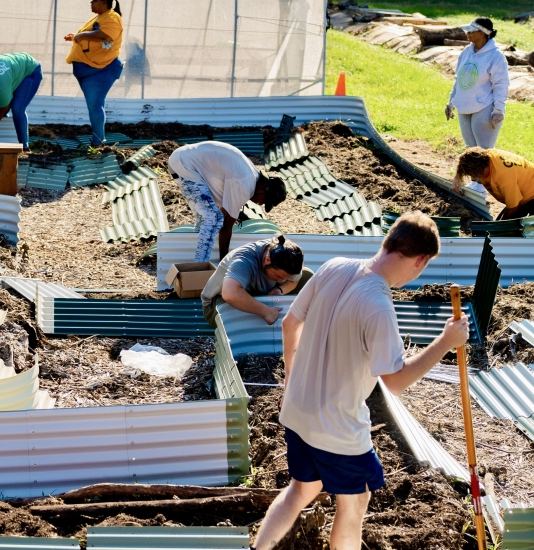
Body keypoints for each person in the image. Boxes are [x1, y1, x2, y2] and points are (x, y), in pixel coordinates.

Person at [253, 212, 470, 550]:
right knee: (353, 503)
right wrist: (445, 343)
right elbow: (394, 382)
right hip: (337, 428)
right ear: (421, 260)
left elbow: (289, 324)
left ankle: (258, 548)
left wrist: (292, 378)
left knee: (302, 489)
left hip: (297, 410)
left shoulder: (334, 266)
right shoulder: (379, 306)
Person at [168, 141, 288, 262]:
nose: (260, 204)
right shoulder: (245, 184)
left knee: (206, 219)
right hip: (186, 165)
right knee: (212, 217)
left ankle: (193, 261)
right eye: (265, 201)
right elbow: (226, 226)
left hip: (182, 161)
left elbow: (224, 216)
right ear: (264, 190)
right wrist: (223, 262)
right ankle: (199, 267)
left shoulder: (250, 176)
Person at [444, 17, 509, 192]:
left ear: (482, 33)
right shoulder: (467, 51)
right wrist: (451, 101)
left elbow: (501, 84)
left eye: (471, 31)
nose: (467, 33)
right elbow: (459, 79)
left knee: (484, 150)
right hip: (464, 105)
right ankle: (475, 182)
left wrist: (498, 110)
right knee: (470, 149)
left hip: (485, 106)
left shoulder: (496, 56)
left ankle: (483, 185)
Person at [201, 235, 311, 327]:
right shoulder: (244, 260)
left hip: (255, 294)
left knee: (308, 277)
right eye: (278, 276)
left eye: (285, 278)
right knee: (232, 298)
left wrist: (279, 290)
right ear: (268, 260)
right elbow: (230, 294)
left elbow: (294, 281)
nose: (282, 280)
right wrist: (265, 311)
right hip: (218, 304)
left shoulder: (287, 257)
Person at [64, 0, 123, 146]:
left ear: (104, 2)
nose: (91, 2)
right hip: (90, 69)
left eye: (95, 0)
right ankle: (97, 139)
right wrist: (75, 38)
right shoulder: (100, 17)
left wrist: (81, 36)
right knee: (94, 105)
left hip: (101, 69)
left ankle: (98, 142)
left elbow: (106, 35)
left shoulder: (112, 16)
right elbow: (94, 37)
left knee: (94, 104)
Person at [452, 147, 534, 219]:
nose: (474, 178)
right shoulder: (485, 155)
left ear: (486, 169)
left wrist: (500, 228)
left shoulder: (503, 176)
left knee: (512, 231)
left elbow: (513, 207)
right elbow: (466, 158)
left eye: (475, 175)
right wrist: (457, 177)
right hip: (522, 192)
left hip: (531, 198)